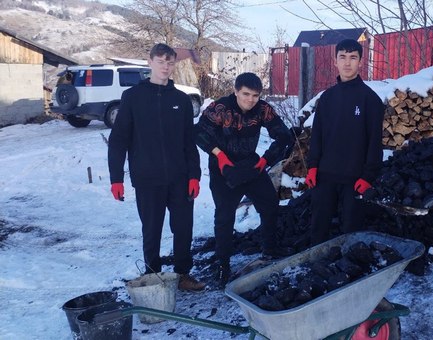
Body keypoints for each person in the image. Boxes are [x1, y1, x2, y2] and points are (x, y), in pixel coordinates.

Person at [108, 43, 205, 292]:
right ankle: (153, 275)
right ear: (150, 62)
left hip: (180, 177)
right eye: (161, 61)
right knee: (152, 229)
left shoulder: (181, 100)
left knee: (183, 228)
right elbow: (119, 140)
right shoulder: (133, 97)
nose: (165, 66)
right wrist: (116, 178)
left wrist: (194, 175)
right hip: (147, 178)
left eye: (170, 62)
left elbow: (188, 141)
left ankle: (183, 274)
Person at [194, 72, 292, 285]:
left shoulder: (263, 109)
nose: (250, 99)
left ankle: (270, 249)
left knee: (269, 204)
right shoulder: (220, 108)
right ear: (236, 91)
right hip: (224, 167)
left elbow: (283, 135)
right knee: (224, 216)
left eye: (255, 95)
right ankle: (223, 264)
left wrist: (266, 160)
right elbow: (198, 132)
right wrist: (218, 154)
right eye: (246, 94)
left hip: (250, 164)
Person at [304, 39, 385, 246]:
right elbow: (318, 135)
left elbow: (375, 142)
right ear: (335, 61)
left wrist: (368, 176)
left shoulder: (370, 100)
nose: (347, 63)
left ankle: (350, 272)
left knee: (352, 230)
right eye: (342, 57)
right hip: (325, 176)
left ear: (360, 62)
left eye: (353, 58)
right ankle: (316, 265)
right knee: (318, 227)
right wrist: (313, 166)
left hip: (354, 179)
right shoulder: (327, 98)